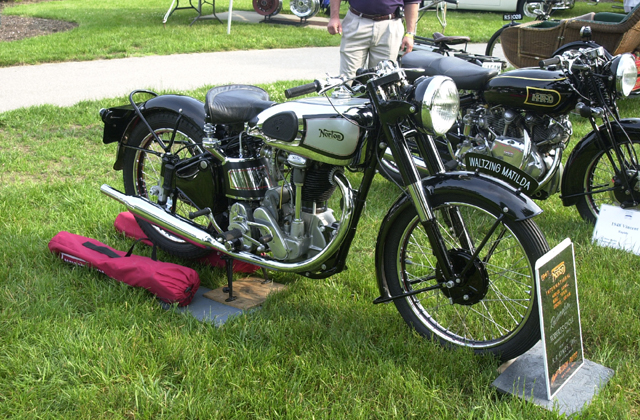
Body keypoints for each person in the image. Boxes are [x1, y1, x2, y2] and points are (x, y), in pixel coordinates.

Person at [327, 0, 420, 79]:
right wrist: (334, 17)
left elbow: (412, 1)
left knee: (382, 80)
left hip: (390, 26)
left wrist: (410, 33)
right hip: (357, 21)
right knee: (348, 80)